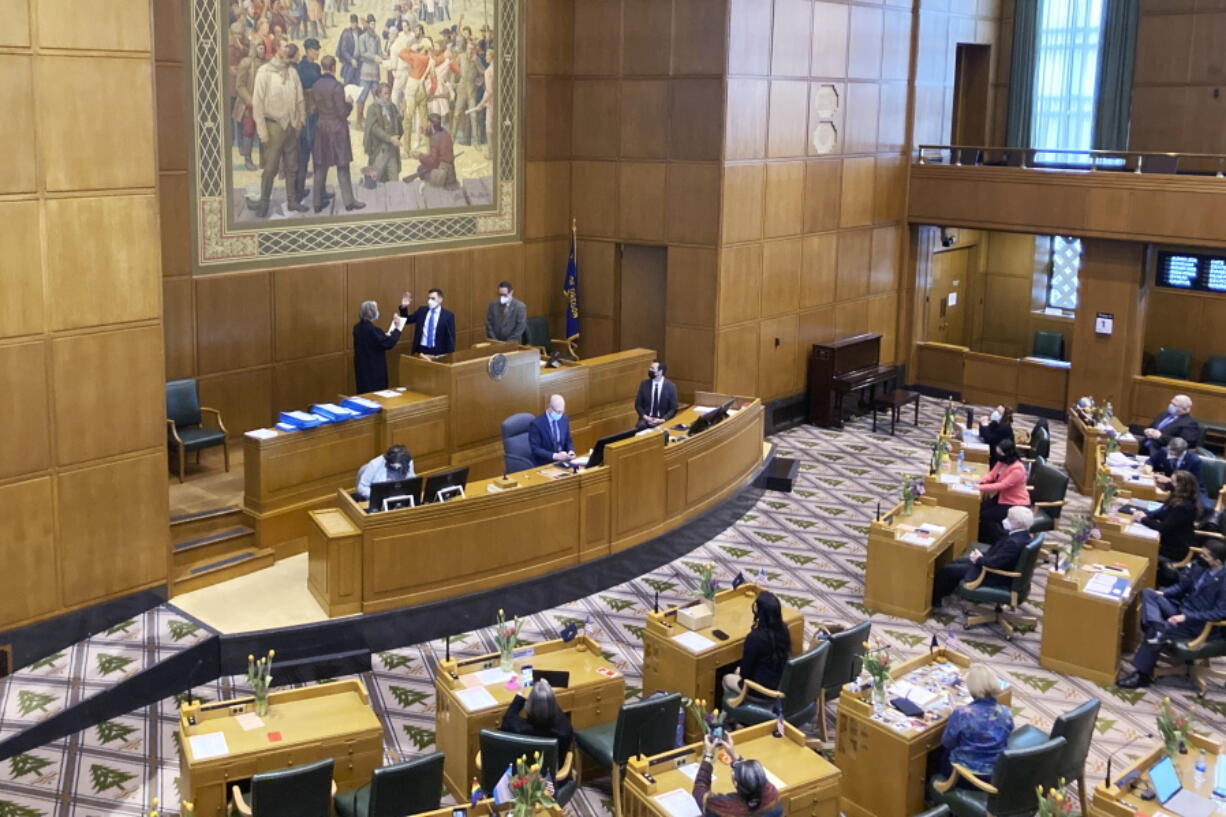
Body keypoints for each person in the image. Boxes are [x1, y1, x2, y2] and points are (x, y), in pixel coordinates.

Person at [1117, 538, 1226, 688]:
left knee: (1160, 630)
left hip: (1198, 623)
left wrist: (1186, 617)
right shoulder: (1200, 567)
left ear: (1217, 561)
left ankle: (1142, 675)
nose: (1201, 557)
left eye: (1205, 556)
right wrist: (1163, 593)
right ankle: (1155, 627)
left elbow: (1218, 613)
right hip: (1182, 607)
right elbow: (1182, 587)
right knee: (1148, 593)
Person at [932, 506, 1034, 609]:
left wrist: (978, 559)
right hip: (996, 565)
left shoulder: (1013, 543)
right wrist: (980, 556)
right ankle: (947, 592)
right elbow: (1000, 557)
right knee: (957, 561)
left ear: (1019, 523)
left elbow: (993, 564)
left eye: (1010, 519)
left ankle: (934, 600)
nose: (1005, 520)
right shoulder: (1023, 536)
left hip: (993, 574)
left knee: (947, 570)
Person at [249, 41, 308, 218]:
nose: (288, 49)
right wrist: (262, 131)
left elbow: (300, 99)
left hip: (291, 126)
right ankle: (264, 204)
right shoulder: (264, 73)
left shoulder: (292, 72)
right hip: (272, 126)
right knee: (270, 169)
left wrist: (300, 121)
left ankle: (292, 201)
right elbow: (257, 104)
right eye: (284, 47)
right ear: (276, 51)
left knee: (292, 166)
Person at [939, 664, 1012, 783]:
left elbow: (947, 742)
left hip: (966, 775)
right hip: (997, 773)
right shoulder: (1006, 712)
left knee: (940, 753)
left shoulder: (962, 714)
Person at [309, 55, 365, 212]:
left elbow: (313, 109)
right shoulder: (337, 86)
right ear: (333, 67)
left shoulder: (316, 85)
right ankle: (349, 202)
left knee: (320, 166)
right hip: (337, 129)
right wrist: (349, 103)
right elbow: (342, 113)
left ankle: (317, 203)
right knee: (342, 165)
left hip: (321, 128)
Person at [692, 732, 781, 817]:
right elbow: (753, 775)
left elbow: (699, 791)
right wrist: (732, 753)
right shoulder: (772, 795)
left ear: (735, 783)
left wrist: (708, 756)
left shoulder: (723, 805)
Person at [723, 591, 790, 696]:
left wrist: (739, 670)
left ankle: (734, 710)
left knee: (726, 679)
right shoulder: (784, 629)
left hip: (760, 691)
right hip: (780, 683)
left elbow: (745, 674)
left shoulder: (755, 638)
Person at [1132, 470, 1202, 568]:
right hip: (1167, 541)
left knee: (1138, 548)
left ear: (1181, 486)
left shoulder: (1184, 507)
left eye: (1172, 482)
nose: (1169, 483)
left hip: (1174, 550)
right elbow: (1160, 513)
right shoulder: (1176, 497)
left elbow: (1164, 528)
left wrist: (1144, 519)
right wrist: (1143, 514)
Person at [498, 679, 574, 759]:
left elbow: (508, 717)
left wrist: (520, 693)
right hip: (554, 770)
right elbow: (557, 712)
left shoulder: (516, 728)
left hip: (523, 769)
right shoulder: (564, 730)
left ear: (528, 706)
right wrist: (547, 696)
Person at [975, 439, 1029, 544]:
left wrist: (980, 488)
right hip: (1001, 497)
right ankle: (983, 537)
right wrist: (981, 481)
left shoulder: (1018, 469)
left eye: (1000, 453)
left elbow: (1003, 485)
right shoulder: (1002, 462)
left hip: (1014, 503)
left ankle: (998, 541)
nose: (998, 455)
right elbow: (991, 475)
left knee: (987, 516)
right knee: (980, 508)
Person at [293, 37, 323, 207]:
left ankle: (313, 191)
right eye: (314, 50)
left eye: (318, 49)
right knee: (304, 155)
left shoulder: (314, 67)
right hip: (306, 115)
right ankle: (298, 193)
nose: (317, 52)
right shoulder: (302, 68)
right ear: (307, 51)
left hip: (313, 114)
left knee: (312, 154)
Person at [352, 300, 405, 393]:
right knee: (376, 394)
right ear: (371, 312)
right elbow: (388, 343)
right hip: (374, 370)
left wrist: (385, 335)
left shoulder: (357, 328)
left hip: (362, 368)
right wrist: (397, 329)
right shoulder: (373, 330)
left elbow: (375, 340)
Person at [362, 82, 403, 187]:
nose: (388, 96)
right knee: (375, 182)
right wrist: (390, 138)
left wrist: (400, 117)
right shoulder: (373, 108)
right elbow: (375, 129)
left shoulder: (392, 107)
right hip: (379, 151)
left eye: (388, 93)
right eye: (385, 93)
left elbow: (398, 126)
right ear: (379, 94)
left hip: (392, 150)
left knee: (394, 183)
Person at [403, 113, 457, 188]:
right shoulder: (445, 133)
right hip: (450, 171)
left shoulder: (435, 139)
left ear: (430, 124)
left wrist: (419, 156)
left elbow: (433, 162)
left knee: (420, 169)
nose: (426, 124)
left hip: (442, 175)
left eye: (427, 122)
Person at [398, 289, 456, 356]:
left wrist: (450, 355)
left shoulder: (448, 316)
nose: (430, 301)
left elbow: (451, 337)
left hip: (438, 351)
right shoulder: (422, 311)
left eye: (433, 298)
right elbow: (406, 320)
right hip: (422, 350)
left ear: (440, 299)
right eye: (429, 298)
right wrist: (404, 307)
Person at [529, 395, 575, 466]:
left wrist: (570, 451)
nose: (560, 414)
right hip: (545, 463)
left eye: (562, 411)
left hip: (563, 461)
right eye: (558, 412)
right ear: (550, 408)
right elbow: (536, 449)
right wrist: (555, 456)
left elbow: (568, 440)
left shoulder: (564, 419)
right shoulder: (536, 424)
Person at [354, 15, 383, 125]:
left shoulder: (377, 37)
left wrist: (384, 56)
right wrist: (374, 57)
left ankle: (378, 122)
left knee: (377, 97)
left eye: (374, 24)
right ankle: (358, 121)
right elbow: (362, 53)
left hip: (375, 72)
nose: (373, 26)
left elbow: (380, 52)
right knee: (362, 97)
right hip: (365, 72)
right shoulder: (362, 38)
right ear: (367, 24)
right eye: (371, 24)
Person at [635, 360, 679, 431]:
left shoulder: (671, 387)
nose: (649, 370)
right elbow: (638, 405)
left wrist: (662, 420)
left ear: (660, 372)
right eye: (650, 368)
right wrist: (645, 417)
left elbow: (673, 408)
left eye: (652, 368)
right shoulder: (644, 384)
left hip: (662, 420)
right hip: (646, 420)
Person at [336, 14, 361, 87]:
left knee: (357, 83)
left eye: (355, 22)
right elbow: (343, 50)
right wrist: (351, 60)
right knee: (348, 83)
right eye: (352, 23)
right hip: (349, 62)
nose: (353, 24)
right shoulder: (346, 33)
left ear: (357, 23)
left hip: (358, 62)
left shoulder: (360, 32)